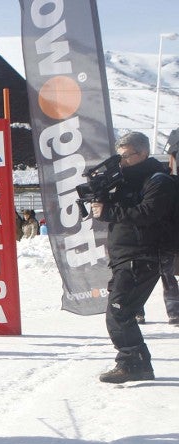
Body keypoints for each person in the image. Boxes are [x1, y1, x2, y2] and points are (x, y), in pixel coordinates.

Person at [90, 131, 177, 383]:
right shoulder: (126, 182)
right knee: (121, 311)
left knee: (119, 310)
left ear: (143, 153)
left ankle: (132, 362)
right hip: (125, 255)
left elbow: (148, 212)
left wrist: (109, 211)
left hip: (143, 255)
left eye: (127, 156)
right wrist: (101, 195)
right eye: (121, 156)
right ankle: (135, 363)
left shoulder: (159, 181)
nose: (122, 161)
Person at [137, 128, 179, 326]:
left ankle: (172, 312)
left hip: (162, 235)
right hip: (155, 235)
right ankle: (140, 310)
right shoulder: (161, 179)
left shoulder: (160, 179)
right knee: (158, 274)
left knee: (163, 274)